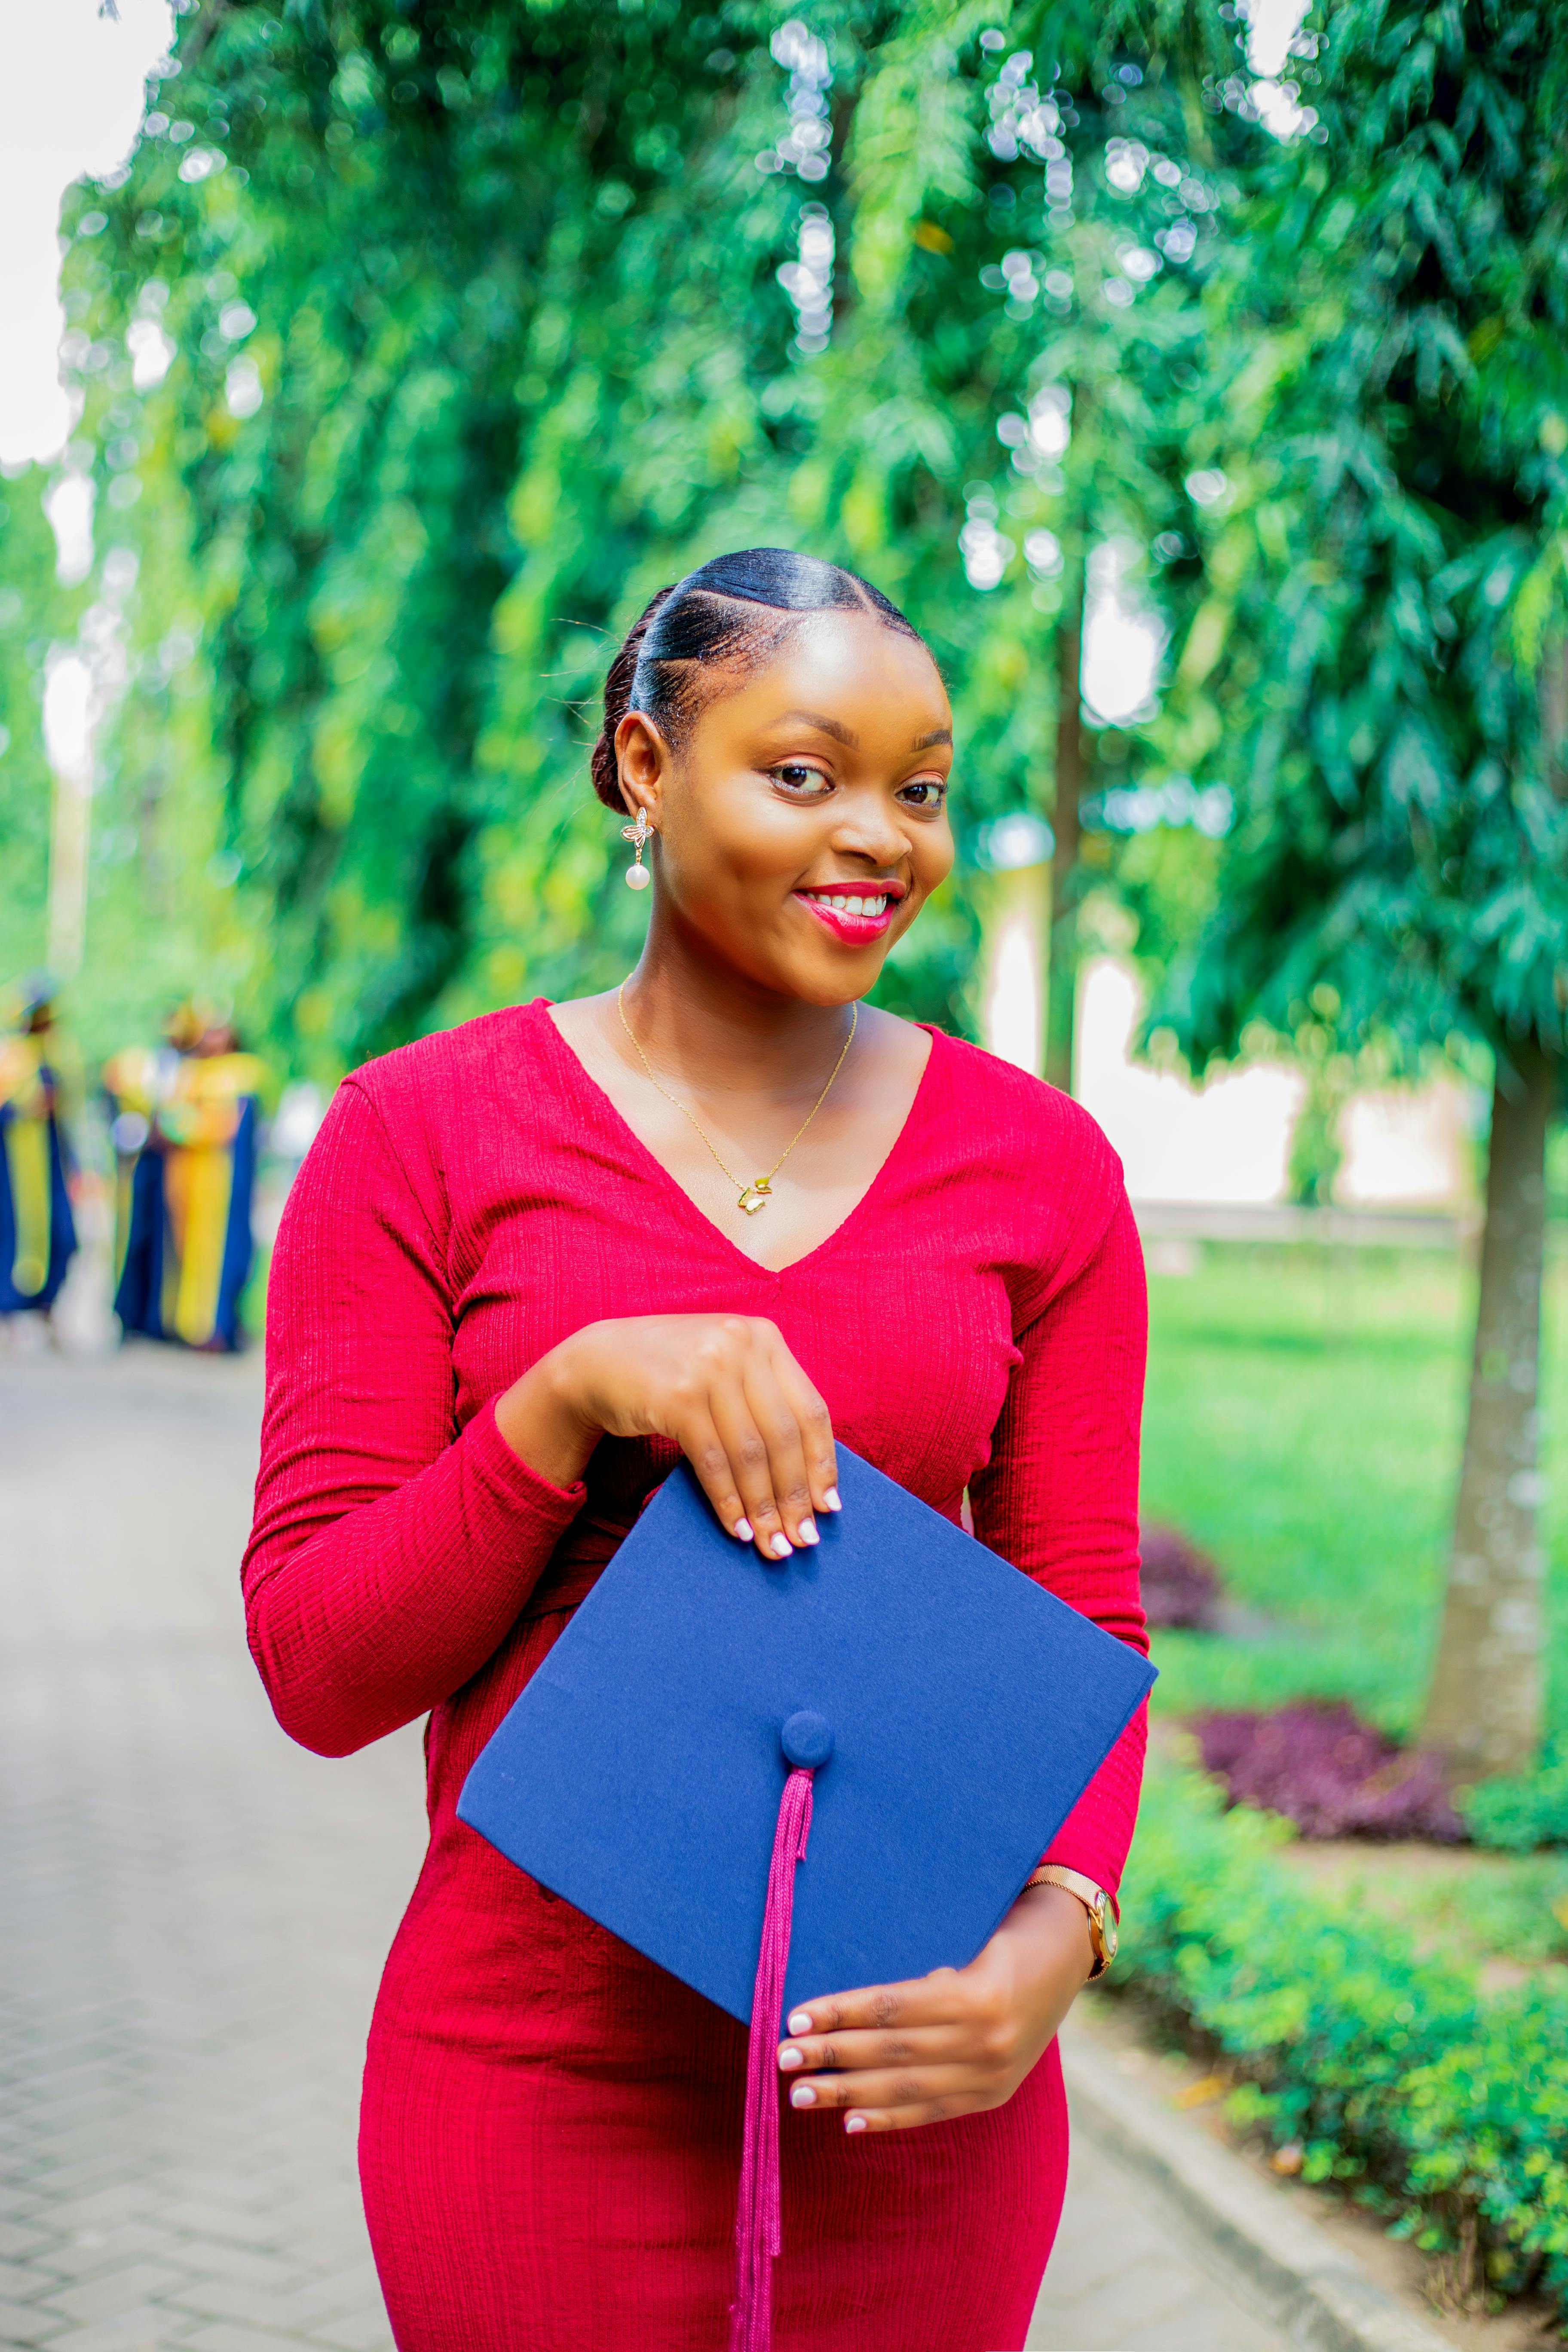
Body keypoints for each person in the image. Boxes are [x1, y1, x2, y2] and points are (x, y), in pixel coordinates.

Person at [244, 550, 1149, 2352]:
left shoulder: (1041, 1171)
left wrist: (1055, 1944)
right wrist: (562, 1401)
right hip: (532, 2076)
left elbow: (1084, 1615)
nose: (877, 836)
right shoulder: (421, 1137)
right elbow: (322, 1668)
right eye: (804, 774)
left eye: (922, 788)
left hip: (905, 2086)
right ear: (647, 771)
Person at [106, 1005, 266, 1351]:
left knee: (222, 1251)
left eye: (219, 1030)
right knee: (181, 1249)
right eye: (207, 1031)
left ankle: (216, 1327)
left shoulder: (242, 1073)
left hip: (222, 1180)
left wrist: (180, 1129)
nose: (212, 1038)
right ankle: (182, 1323)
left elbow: (225, 1129)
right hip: (187, 1179)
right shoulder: (190, 1073)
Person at [0, 975, 79, 1332]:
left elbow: (68, 1116)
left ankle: (47, 1309)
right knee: (13, 1236)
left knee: (64, 1236)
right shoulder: (9, 1057)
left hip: (52, 1169)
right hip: (14, 1173)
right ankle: (15, 1311)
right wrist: (25, 1109)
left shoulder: (57, 1056)